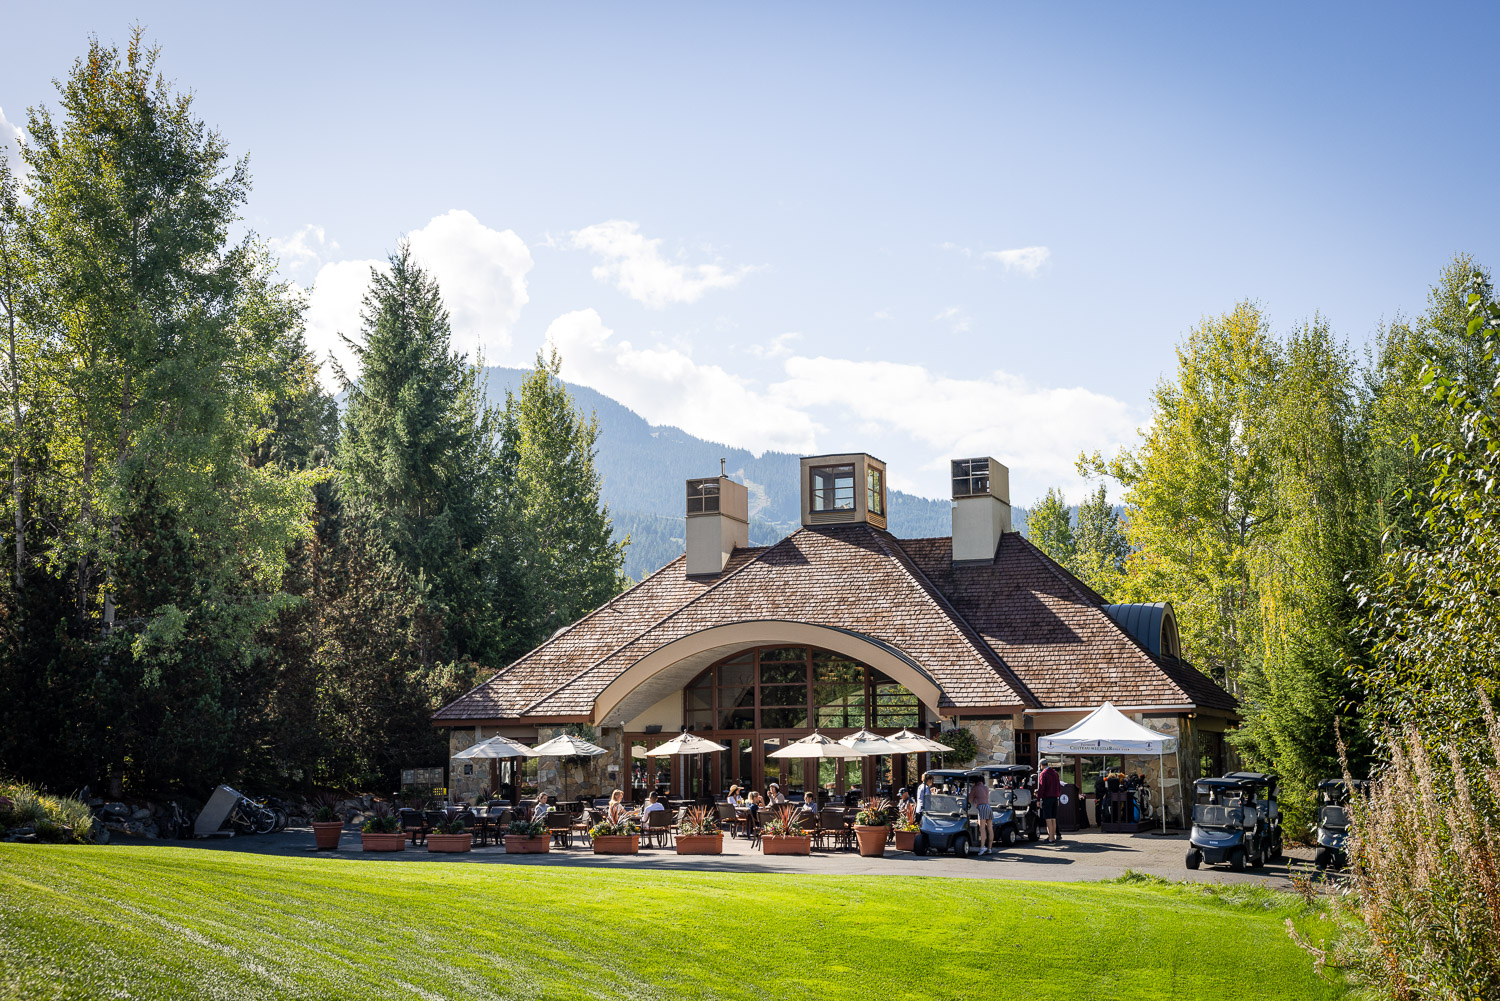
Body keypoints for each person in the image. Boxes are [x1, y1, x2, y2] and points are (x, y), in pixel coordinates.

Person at [1038, 759, 1063, 843]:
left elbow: (1041, 788)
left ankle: (1051, 838)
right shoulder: (1055, 773)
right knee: (1053, 818)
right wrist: (1058, 797)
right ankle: (1053, 837)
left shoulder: (1043, 774)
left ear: (1041, 765)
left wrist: (1038, 799)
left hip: (1047, 798)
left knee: (1048, 818)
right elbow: (1058, 786)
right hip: (1055, 798)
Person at [969, 774, 993, 855]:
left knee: (982, 829)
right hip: (988, 807)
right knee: (990, 828)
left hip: (981, 807)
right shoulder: (986, 787)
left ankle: (982, 847)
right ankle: (989, 848)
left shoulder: (975, 788)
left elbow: (969, 800)